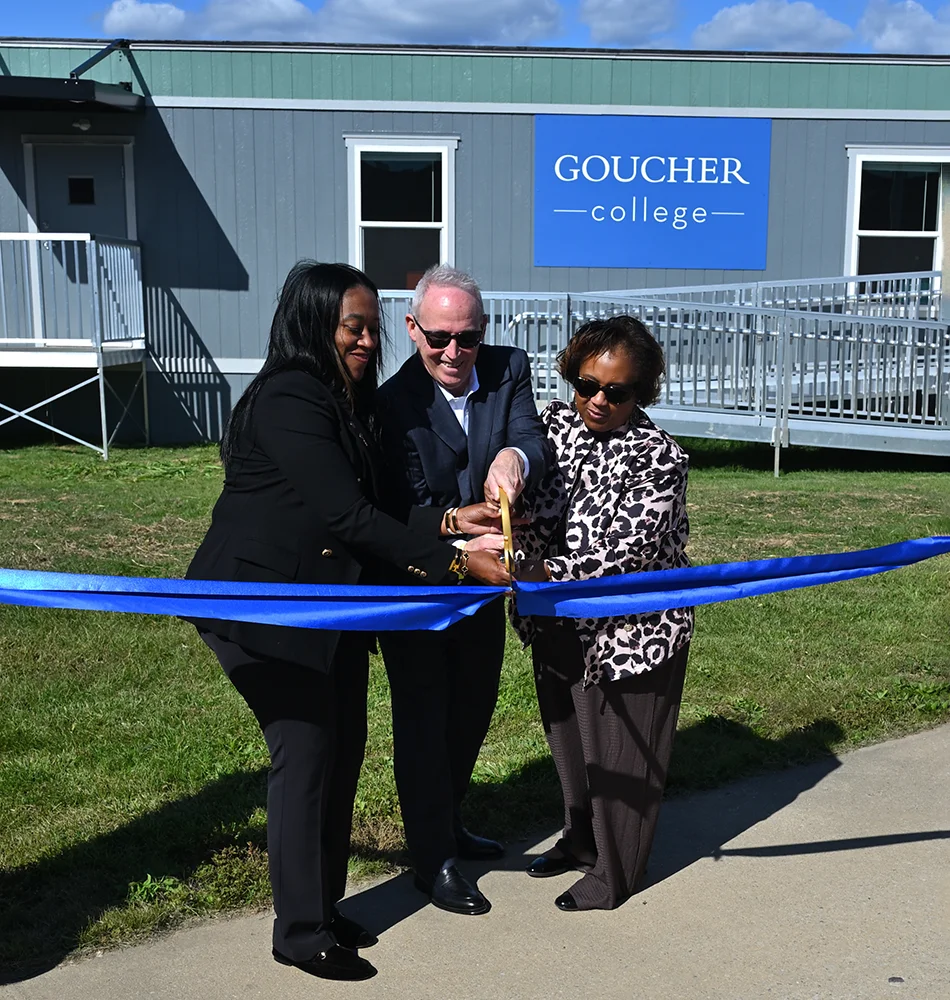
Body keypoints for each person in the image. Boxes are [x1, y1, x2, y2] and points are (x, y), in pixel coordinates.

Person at [185, 261, 510, 981]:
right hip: (264, 609)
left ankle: (323, 907)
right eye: (351, 327)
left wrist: (457, 522)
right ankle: (300, 933)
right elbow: (347, 517)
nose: (366, 341)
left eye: (369, 327)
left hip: (330, 611)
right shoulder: (290, 397)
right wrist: (459, 566)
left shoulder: (348, 400)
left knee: (342, 750)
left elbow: (387, 513)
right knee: (305, 757)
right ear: (314, 326)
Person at [376, 264, 551, 916]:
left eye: (468, 337)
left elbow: (530, 437)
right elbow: (402, 513)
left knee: (470, 712)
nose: (454, 352)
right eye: (439, 337)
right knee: (424, 723)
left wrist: (517, 458)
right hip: (421, 590)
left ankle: (447, 825)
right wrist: (460, 548)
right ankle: (431, 863)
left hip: (485, 591)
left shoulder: (509, 369)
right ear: (414, 328)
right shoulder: (393, 405)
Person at [512, 314, 693, 912]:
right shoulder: (553, 428)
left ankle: (614, 875)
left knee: (621, 758)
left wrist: (535, 574)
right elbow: (531, 507)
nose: (596, 400)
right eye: (586, 384)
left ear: (641, 393)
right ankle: (579, 840)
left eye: (615, 392)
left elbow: (621, 554)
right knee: (569, 742)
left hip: (633, 634)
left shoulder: (661, 458)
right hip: (557, 618)